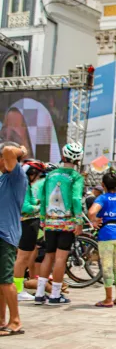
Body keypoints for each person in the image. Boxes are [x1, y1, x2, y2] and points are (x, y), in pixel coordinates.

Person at [34, 142, 85, 306]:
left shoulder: (50, 175)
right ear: (78, 160)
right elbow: (77, 199)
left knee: (48, 256)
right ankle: (55, 294)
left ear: (63, 156)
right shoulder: (77, 177)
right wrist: (79, 221)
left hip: (49, 221)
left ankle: (40, 293)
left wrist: (43, 219)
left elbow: (43, 198)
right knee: (61, 258)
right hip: (67, 222)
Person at [88, 171, 116, 307]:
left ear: (103, 185)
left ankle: (108, 299)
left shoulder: (102, 198)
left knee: (107, 267)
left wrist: (94, 221)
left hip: (106, 234)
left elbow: (91, 212)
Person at [0, 142, 27, 337]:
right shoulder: (4, 180)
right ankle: (1, 320)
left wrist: (22, 151)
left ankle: (15, 321)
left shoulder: (16, 177)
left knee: (5, 280)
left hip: (5, 235)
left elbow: (9, 151)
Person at [14, 160, 46, 302]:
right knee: (22, 259)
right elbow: (25, 207)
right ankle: (18, 290)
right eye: (37, 175)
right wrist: (40, 208)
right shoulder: (23, 184)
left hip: (28, 224)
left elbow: (31, 201)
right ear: (31, 174)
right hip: (27, 223)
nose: (38, 178)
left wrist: (38, 203)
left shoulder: (24, 184)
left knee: (23, 258)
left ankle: (18, 288)